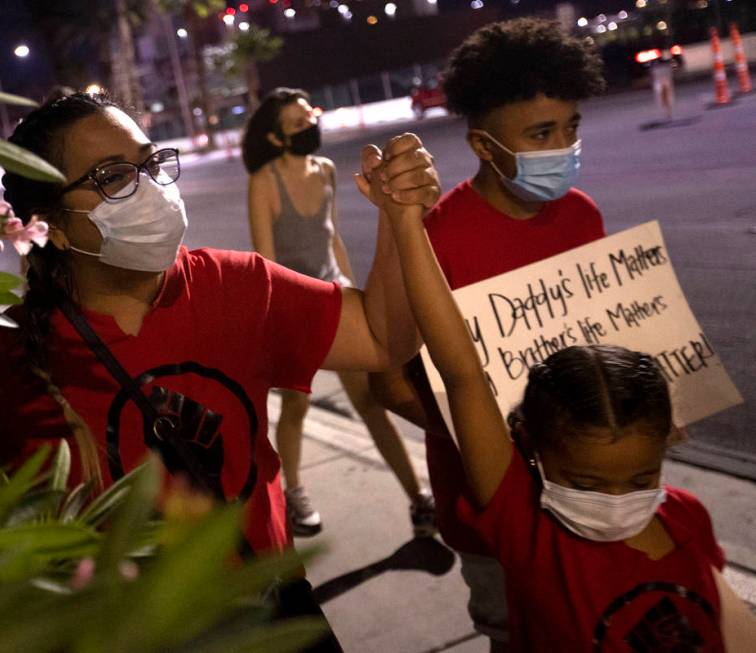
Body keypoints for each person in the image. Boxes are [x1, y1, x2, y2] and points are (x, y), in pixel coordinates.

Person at [0, 92, 439, 650]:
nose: (149, 189)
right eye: (112, 177)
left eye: (149, 163)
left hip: (272, 613)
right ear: (52, 227)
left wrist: (400, 218)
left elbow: (383, 338)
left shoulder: (237, 287)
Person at [369, 164, 756, 652]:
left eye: (641, 481)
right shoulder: (526, 530)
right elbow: (463, 373)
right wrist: (405, 224)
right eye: (586, 484)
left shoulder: (687, 517)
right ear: (531, 447)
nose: (616, 502)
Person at [369, 17, 607, 650]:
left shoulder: (582, 214)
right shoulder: (435, 244)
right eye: (540, 133)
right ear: (482, 145)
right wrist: (484, 439)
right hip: (494, 519)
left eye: (570, 127)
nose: (563, 146)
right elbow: (389, 381)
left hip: (593, 494)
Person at [241, 88, 434, 538]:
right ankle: (294, 492)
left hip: (335, 297)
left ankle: (419, 499)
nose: (309, 126)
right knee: (296, 403)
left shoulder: (326, 171)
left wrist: (356, 296)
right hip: (294, 306)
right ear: (275, 138)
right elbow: (265, 263)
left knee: (371, 402)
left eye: (310, 116)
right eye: (296, 123)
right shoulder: (264, 181)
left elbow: (333, 240)